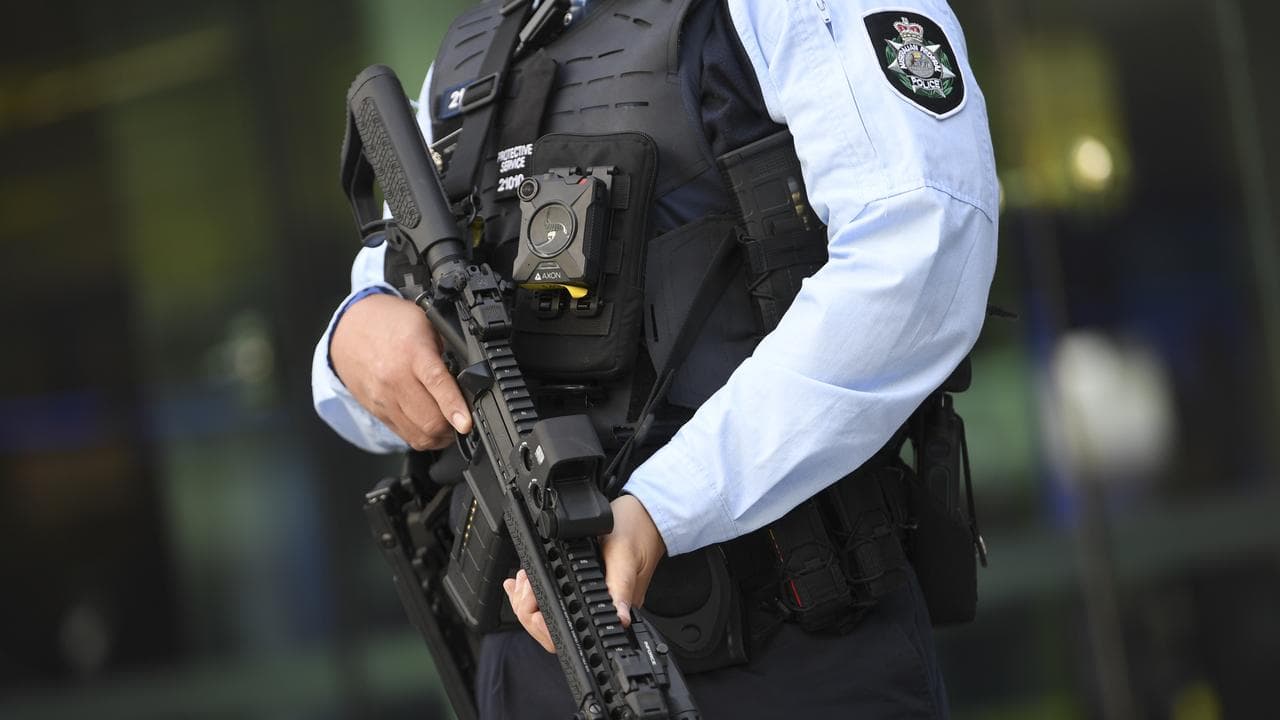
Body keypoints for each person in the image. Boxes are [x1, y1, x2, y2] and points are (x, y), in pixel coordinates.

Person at [313, 0, 997, 717]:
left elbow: (920, 265)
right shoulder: (474, 52)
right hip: (534, 657)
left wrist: (666, 506)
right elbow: (383, 328)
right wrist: (351, 339)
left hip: (783, 645)